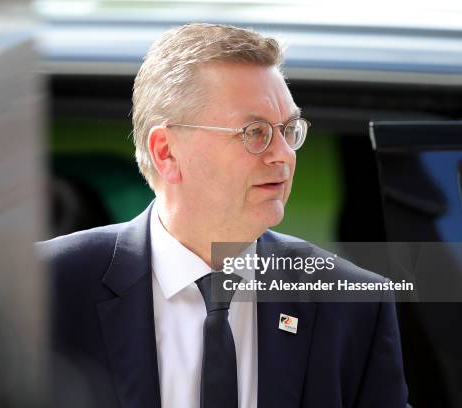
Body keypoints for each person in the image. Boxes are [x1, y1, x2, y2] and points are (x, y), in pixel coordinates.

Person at [38, 23, 408, 408]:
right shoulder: (43, 288)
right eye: (255, 132)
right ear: (166, 152)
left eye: (288, 130)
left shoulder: (353, 305)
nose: (283, 154)